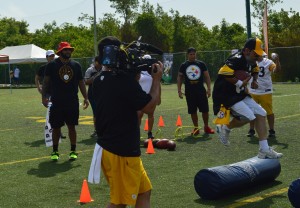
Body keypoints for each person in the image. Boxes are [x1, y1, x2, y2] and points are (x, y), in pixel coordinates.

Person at [90, 36, 162, 208]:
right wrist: (157, 80)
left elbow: (120, 103)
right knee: (119, 203)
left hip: (110, 147)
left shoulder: (97, 82)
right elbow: (150, 108)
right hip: (121, 151)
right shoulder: (121, 81)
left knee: (144, 191)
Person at [212, 37, 283, 159]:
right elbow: (223, 73)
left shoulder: (252, 61)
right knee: (249, 116)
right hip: (226, 95)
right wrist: (240, 83)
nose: (258, 57)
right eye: (256, 54)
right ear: (246, 51)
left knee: (261, 112)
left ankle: (264, 150)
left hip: (239, 93)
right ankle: (225, 127)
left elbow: (255, 70)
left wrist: (254, 80)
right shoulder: (236, 59)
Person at [42, 41, 89, 161]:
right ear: (60, 52)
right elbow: (46, 82)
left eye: (69, 50)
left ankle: (73, 151)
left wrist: (86, 97)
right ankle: (55, 152)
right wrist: (44, 97)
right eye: (65, 50)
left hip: (72, 102)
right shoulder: (52, 65)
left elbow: (81, 82)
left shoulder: (76, 65)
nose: (68, 51)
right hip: (56, 101)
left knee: (71, 127)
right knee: (56, 128)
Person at [177, 47, 215, 135]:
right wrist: (179, 90)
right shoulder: (184, 65)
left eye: (194, 54)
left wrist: (209, 89)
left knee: (205, 110)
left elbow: (207, 76)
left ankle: (206, 127)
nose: (193, 56)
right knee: (192, 111)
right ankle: (196, 128)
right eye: (191, 54)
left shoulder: (201, 64)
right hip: (189, 92)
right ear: (187, 55)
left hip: (201, 91)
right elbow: (179, 77)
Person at [247, 53, 281, 138]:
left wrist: (277, 61)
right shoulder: (250, 62)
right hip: (253, 91)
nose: (255, 55)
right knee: (252, 111)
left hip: (265, 91)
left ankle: (272, 130)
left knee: (269, 112)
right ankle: (251, 130)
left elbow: (276, 71)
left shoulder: (268, 62)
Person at [35, 50, 66, 139]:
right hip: (48, 93)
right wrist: (38, 88)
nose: (52, 57)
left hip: (58, 92)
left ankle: (58, 132)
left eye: (53, 56)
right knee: (52, 112)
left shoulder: (58, 66)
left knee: (59, 112)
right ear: (47, 57)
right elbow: (37, 78)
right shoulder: (43, 67)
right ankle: (53, 132)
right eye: (50, 56)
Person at [137, 54, 161, 139]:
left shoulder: (153, 71)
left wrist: (159, 97)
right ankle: (137, 132)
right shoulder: (138, 70)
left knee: (150, 114)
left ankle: (150, 133)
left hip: (150, 95)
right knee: (139, 115)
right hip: (140, 96)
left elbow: (158, 84)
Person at [84, 56, 102, 138]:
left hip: (103, 94)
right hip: (93, 94)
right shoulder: (90, 70)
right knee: (96, 113)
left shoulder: (105, 69)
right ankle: (96, 131)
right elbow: (86, 82)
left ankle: (103, 130)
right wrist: (97, 75)